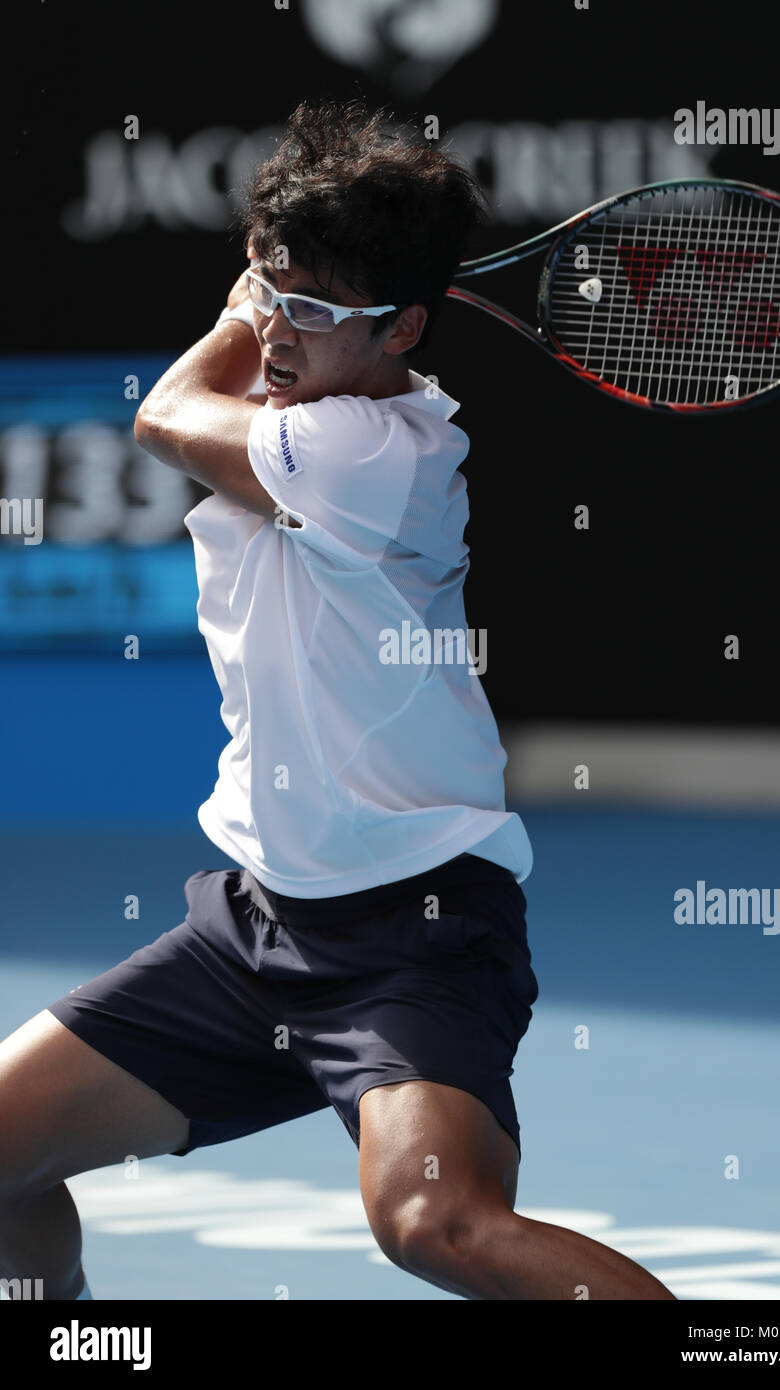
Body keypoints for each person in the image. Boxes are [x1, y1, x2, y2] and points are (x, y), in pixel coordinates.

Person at [0, 99, 675, 1301]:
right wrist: (281, 291)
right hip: (255, 930)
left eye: (311, 311)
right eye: (275, 293)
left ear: (405, 328)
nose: (278, 332)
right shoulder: (293, 416)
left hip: (415, 935)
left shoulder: (384, 450)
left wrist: (236, 303)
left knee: (437, 1226)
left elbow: (160, 415)